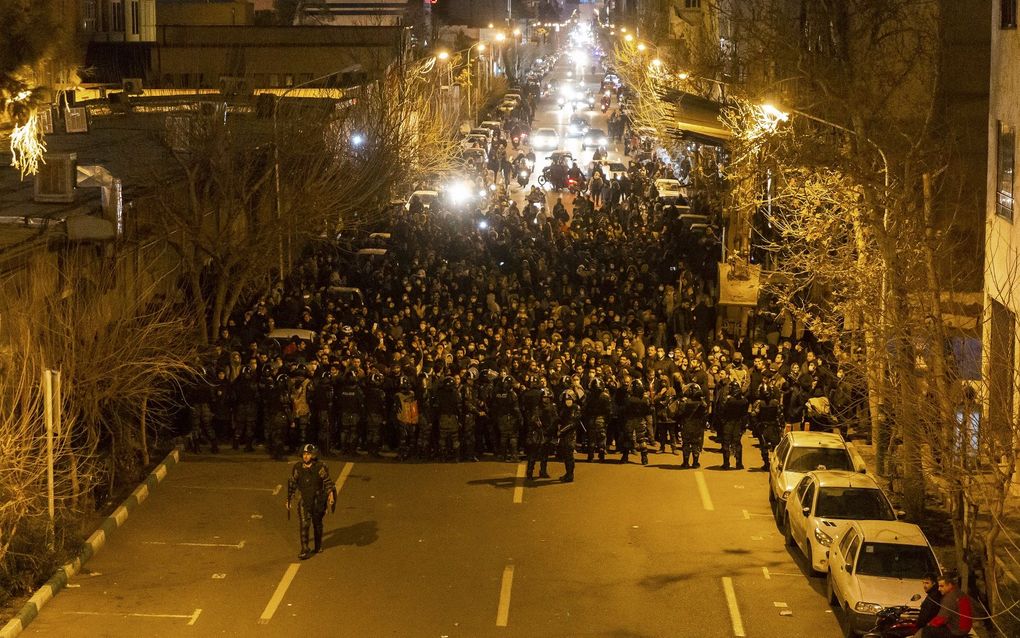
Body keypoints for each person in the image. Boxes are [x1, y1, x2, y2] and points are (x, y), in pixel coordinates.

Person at [286, 444, 335, 560]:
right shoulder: (298, 467)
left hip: (317, 500)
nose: (306, 456)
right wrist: (289, 499)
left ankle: (318, 546)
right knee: (304, 524)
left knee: (317, 523)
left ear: (313, 455)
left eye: (308, 454)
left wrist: (331, 496)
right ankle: (305, 549)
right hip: (304, 499)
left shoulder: (320, 467)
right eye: (304, 454)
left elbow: (328, 482)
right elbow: (293, 483)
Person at [921, 571, 973, 638]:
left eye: (942, 586)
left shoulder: (950, 598)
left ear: (950, 585)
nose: (939, 589)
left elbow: (942, 618)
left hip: (956, 630)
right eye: (939, 586)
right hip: (965, 628)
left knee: (927, 631)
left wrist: (930, 624)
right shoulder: (960, 593)